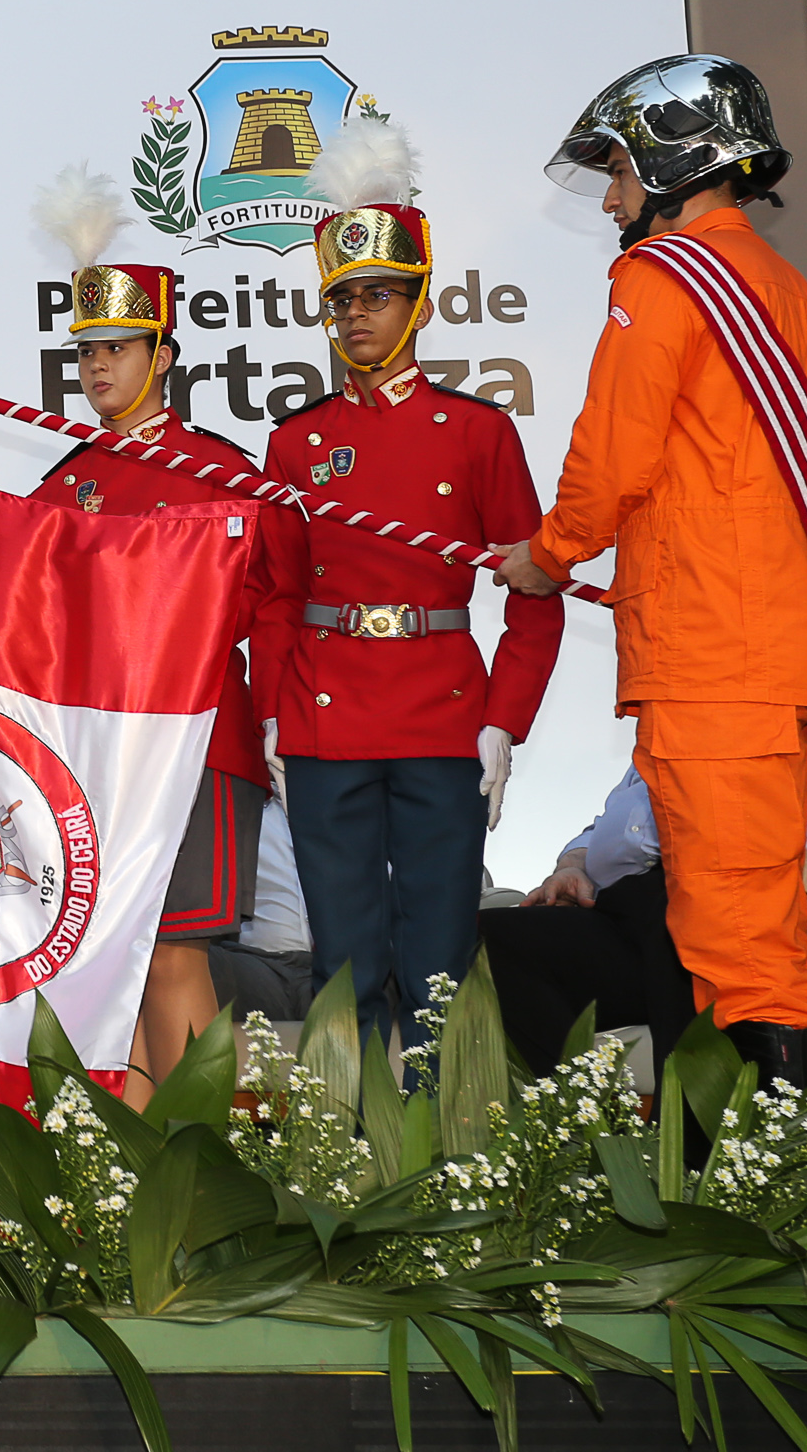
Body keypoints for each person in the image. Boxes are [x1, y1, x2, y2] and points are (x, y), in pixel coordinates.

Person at [494, 55, 807, 1090]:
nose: (610, 197)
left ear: (670, 160)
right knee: (741, 940)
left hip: (714, 665)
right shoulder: (792, 296)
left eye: (616, 170)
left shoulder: (664, 281)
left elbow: (612, 457)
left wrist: (545, 555)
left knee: (740, 948)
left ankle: (806, 1198)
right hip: (773, 670)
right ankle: (781, 1181)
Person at [255, 120, 563, 1051]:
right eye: (342, 299)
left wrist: (505, 718)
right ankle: (350, 1162)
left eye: (380, 296)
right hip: (326, 715)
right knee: (342, 959)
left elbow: (537, 590)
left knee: (440, 956)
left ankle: (443, 1152)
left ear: (421, 304)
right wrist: (272, 709)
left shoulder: (478, 434)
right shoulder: (295, 441)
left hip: (441, 712)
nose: (356, 316)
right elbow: (275, 593)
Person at [28, 258, 295, 1097]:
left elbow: (277, 600)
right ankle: (136, 1177)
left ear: (165, 355)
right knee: (117, 957)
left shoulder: (222, 472)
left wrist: (282, 719)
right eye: (86, 352)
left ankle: (199, 1169)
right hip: (99, 754)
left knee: (175, 950)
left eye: (117, 347)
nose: (98, 366)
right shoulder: (65, 481)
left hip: (197, 744)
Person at [479, 706, 807, 1075]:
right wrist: (575, 863)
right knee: (485, 939)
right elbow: (618, 821)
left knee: (687, 914)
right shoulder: (677, 721)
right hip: (627, 913)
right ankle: (566, 1144)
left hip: (744, 910)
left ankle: (698, 1167)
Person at [208, 796, 317, 1028]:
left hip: (346, 965)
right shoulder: (231, 802)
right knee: (186, 959)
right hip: (256, 965)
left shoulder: (364, 803)